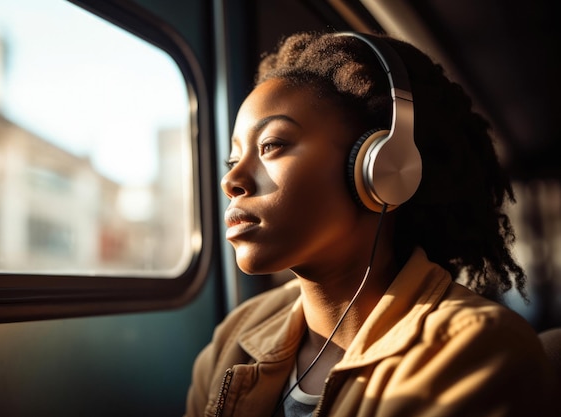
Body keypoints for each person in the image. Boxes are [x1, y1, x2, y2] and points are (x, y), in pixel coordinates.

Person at [185, 31, 556, 417]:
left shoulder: (479, 351)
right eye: (233, 160)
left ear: (380, 169)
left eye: (271, 145)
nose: (231, 181)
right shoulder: (237, 334)